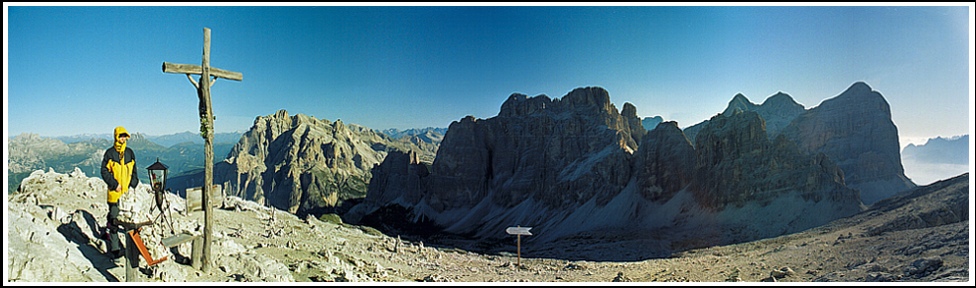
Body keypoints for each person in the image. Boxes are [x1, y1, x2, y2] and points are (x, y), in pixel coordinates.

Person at [101, 126, 139, 259]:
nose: (123, 138)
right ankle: (115, 248)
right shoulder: (109, 153)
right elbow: (104, 171)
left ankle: (131, 247)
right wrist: (114, 184)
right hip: (115, 193)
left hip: (127, 195)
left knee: (129, 220)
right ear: (116, 137)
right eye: (120, 136)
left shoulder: (129, 152)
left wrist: (134, 183)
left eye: (124, 136)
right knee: (115, 219)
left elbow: (134, 170)